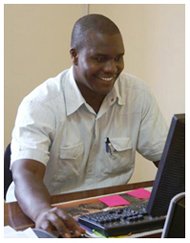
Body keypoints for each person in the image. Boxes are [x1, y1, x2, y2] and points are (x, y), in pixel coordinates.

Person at [6, 14, 168, 237]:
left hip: (107, 212)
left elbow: (170, 162)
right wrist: (43, 212)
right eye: (100, 59)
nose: (112, 68)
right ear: (74, 56)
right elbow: (26, 173)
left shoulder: (137, 94)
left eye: (118, 58)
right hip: (39, 214)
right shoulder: (41, 103)